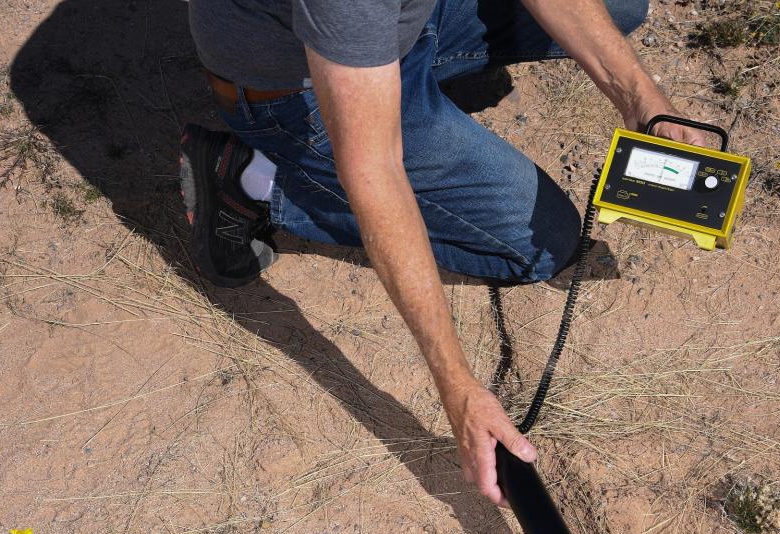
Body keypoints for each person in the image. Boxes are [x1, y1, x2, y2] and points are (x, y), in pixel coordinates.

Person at [180, 0, 703, 507]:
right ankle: (254, 180)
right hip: (299, 93)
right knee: (545, 241)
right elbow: (375, 172)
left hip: (396, 34)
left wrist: (645, 105)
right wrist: (459, 389)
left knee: (621, 7)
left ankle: (417, 98)